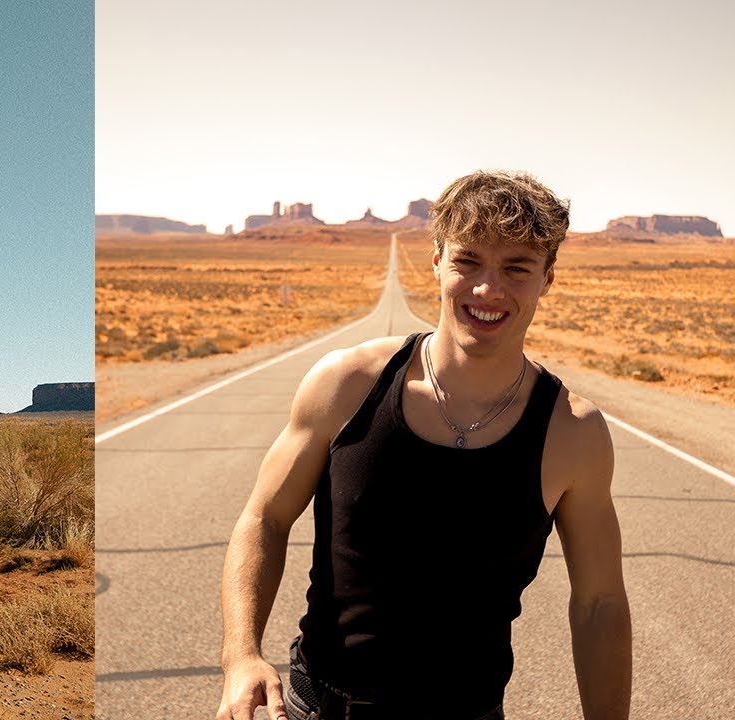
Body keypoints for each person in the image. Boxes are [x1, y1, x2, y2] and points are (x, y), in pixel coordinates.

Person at [215, 171, 632, 720]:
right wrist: (241, 656)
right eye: (468, 261)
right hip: (321, 708)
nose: (487, 289)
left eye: (516, 268)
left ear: (547, 279)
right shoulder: (347, 384)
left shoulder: (572, 431)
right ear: (436, 262)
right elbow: (264, 517)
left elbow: (600, 603)